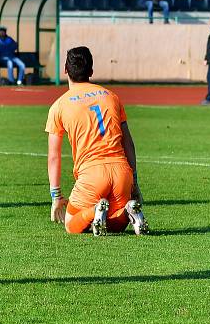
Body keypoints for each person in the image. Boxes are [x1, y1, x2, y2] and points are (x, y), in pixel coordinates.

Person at [47, 46, 148, 237]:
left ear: (65, 70)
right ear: (91, 71)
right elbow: (129, 143)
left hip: (92, 175)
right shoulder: (111, 96)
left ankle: (94, 211)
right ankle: (128, 211)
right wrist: (134, 181)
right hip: (121, 172)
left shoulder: (59, 105)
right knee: (114, 223)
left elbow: (54, 156)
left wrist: (56, 196)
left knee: (70, 224)